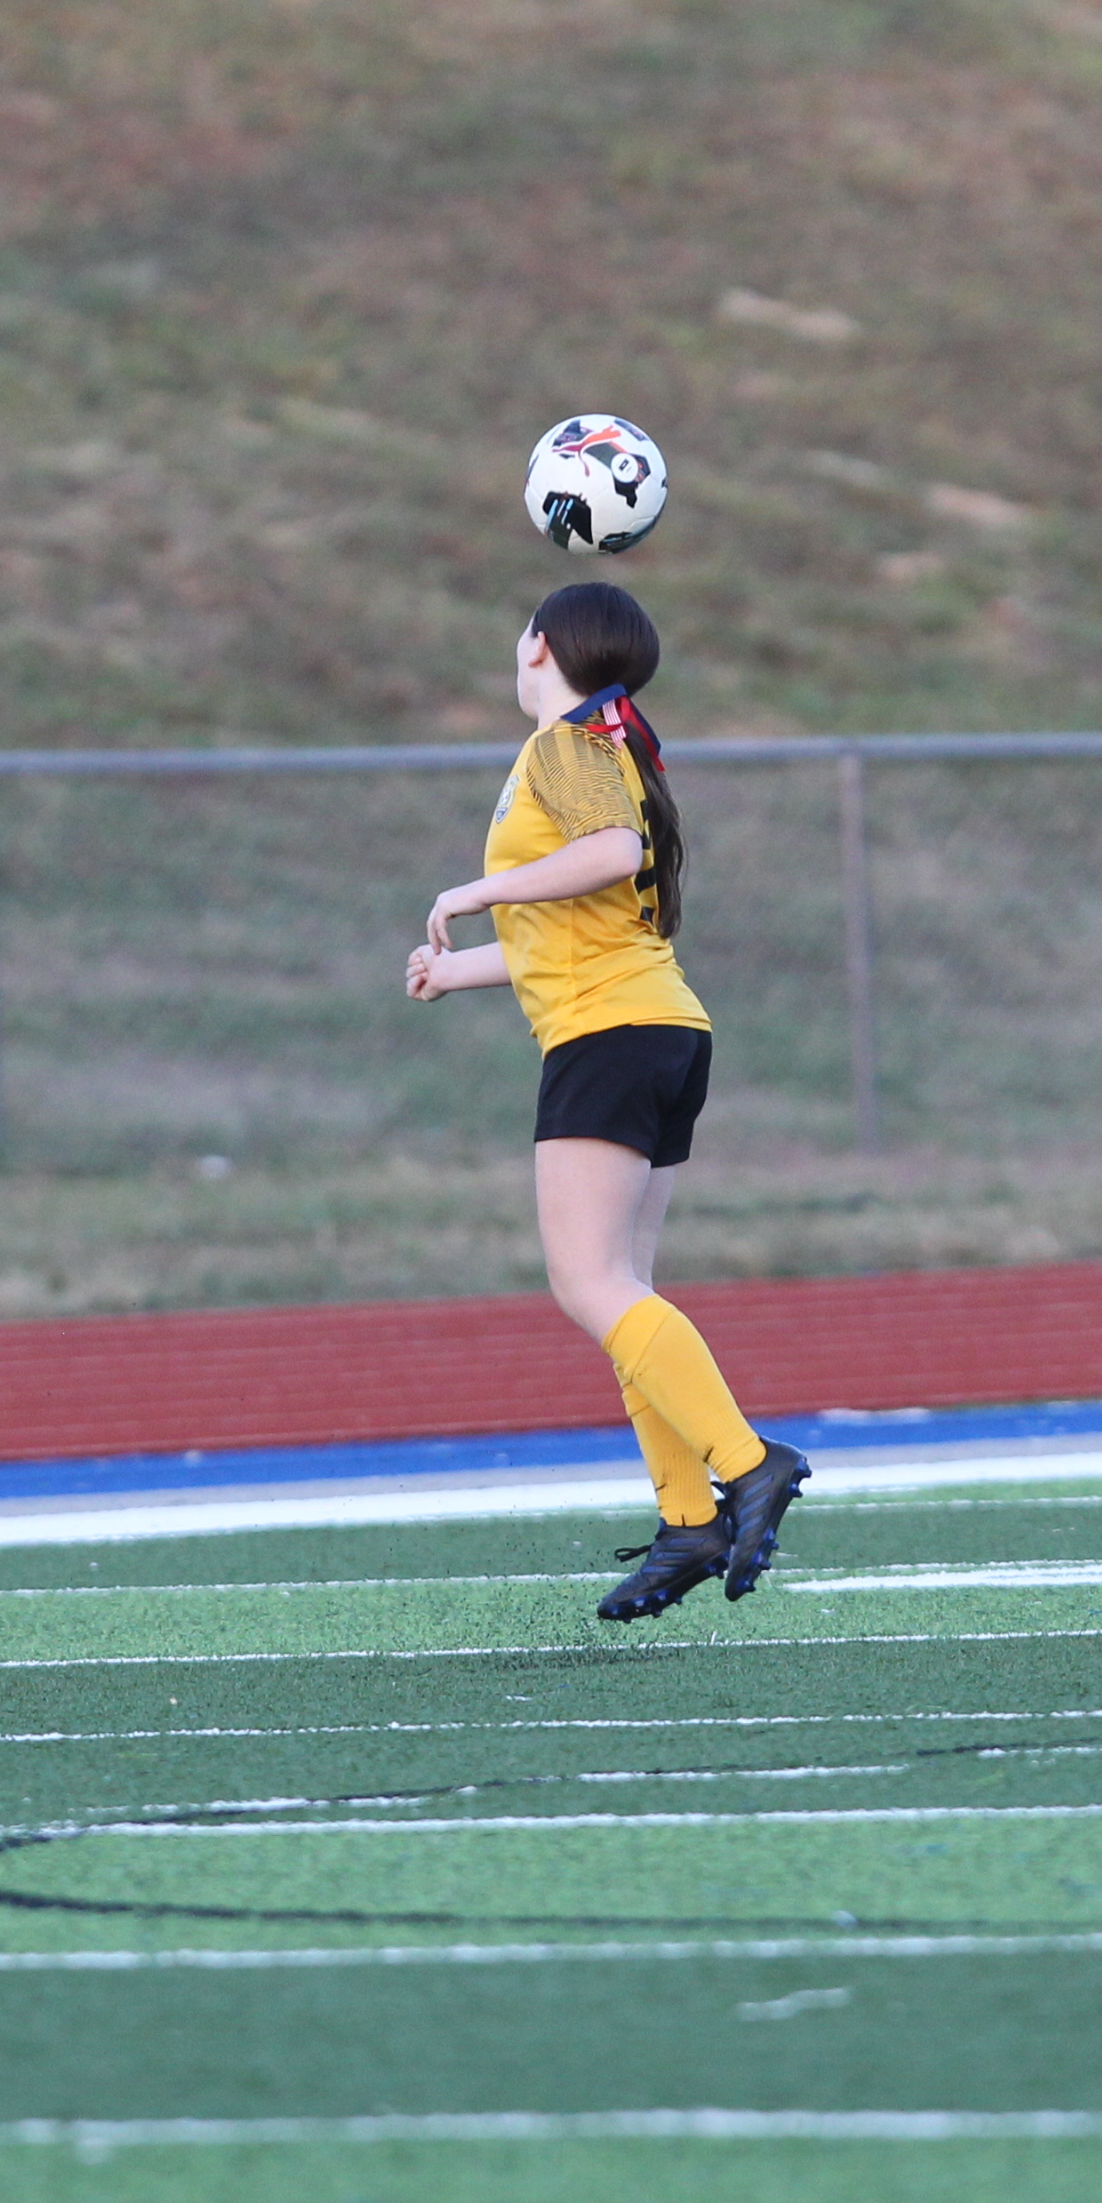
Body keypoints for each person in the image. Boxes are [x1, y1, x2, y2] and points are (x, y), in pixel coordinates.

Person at [406, 579, 810, 1620]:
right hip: (658, 1025)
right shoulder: (610, 743)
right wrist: (457, 970)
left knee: (588, 1283)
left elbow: (610, 856)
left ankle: (747, 1463)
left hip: (610, 1034)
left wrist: (475, 890)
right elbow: (580, 927)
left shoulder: (567, 744)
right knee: (623, 1287)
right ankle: (689, 1519)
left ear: (540, 644)